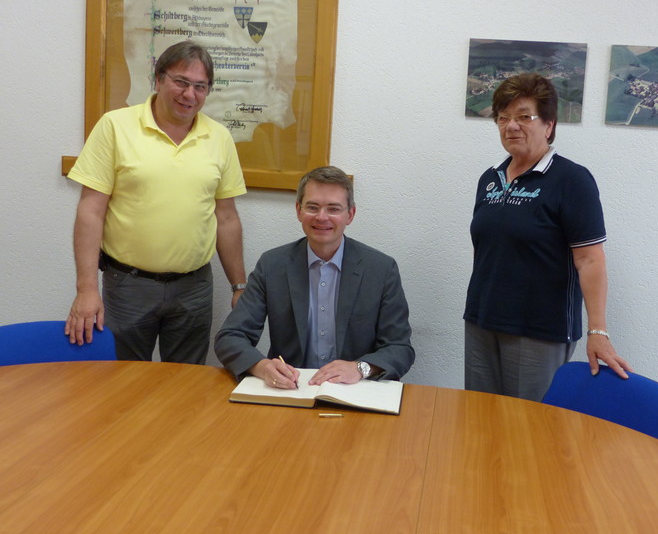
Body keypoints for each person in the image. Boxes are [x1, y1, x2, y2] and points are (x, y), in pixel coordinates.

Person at [66, 40, 247, 364]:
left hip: (194, 289)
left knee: (185, 389)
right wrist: (86, 289)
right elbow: (90, 211)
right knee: (121, 386)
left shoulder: (219, 137)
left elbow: (227, 218)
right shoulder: (115, 126)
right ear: (159, 79)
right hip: (129, 287)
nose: (189, 95)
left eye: (199, 86)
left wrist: (239, 285)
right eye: (180, 82)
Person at [464, 72, 631, 402]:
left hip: (538, 329)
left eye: (525, 116)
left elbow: (590, 259)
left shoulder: (571, 180)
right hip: (482, 321)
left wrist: (598, 330)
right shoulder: (490, 179)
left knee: (527, 431)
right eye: (503, 118)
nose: (512, 126)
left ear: (549, 125)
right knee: (479, 422)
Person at [215, 165, 414, 387]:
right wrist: (261, 367)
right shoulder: (272, 265)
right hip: (291, 389)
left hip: (355, 390)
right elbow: (230, 337)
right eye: (312, 207)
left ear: (350, 214)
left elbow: (400, 347)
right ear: (299, 210)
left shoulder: (381, 269)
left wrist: (360, 368)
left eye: (333, 209)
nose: (322, 217)